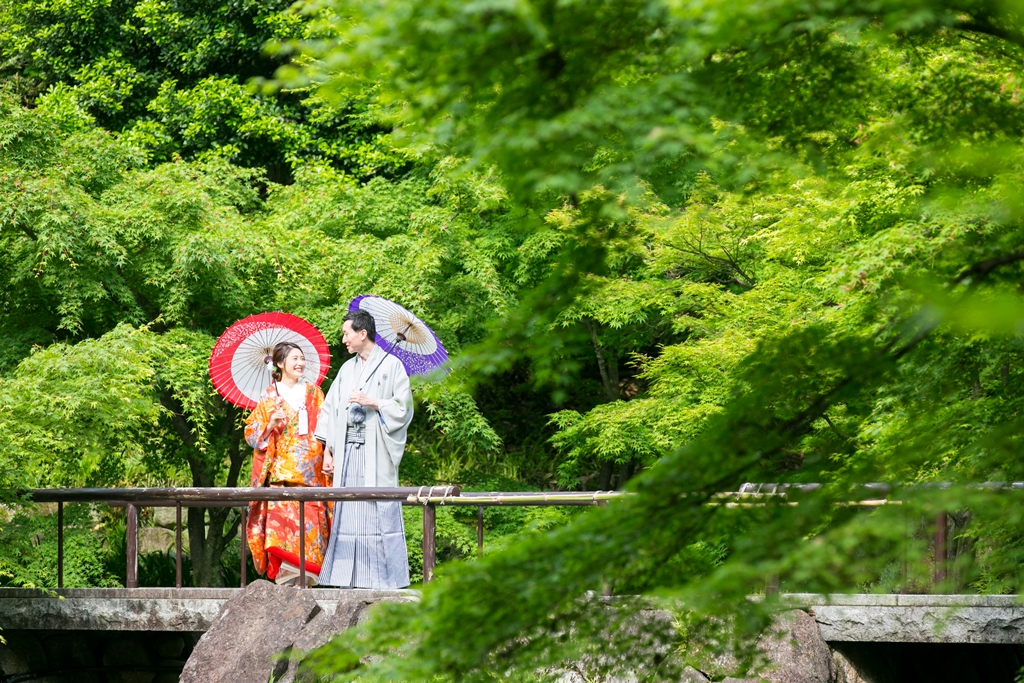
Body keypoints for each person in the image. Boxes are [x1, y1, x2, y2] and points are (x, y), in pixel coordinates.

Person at [316, 309, 414, 589]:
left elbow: (404, 408)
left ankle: (384, 579)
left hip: (375, 449)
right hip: (347, 451)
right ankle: (345, 578)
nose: (344, 339)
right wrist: (328, 449)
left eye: (347, 333)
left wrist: (374, 402)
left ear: (362, 334)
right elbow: (331, 408)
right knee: (348, 508)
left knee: (376, 508)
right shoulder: (347, 368)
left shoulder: (392, 365)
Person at [244, 341, 331, 586]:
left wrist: (328, 455)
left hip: (312, 478)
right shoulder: (270, 396)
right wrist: (270, 425)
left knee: (311, 538)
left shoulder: (315, 393)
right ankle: (287, 588)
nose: (300, 363)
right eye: (294, 358)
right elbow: (251, 434)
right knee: (282, 536)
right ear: (280, 363)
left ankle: (307, 587)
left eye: (302, 358)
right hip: (281, 478)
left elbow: (327, 428)